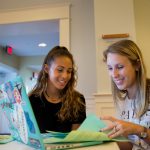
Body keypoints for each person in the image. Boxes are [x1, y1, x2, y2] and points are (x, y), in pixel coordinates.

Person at [101, 39, 150, 150]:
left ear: (137, 65)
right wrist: (106, 139)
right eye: (110, 68)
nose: (114, 74)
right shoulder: (125, 100)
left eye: (120, 67)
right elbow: (132, 145)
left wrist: (138, 129)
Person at [29, 46, 86, 133]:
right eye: (60, 70)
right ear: (47, 69)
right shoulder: (32, 99)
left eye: (69, 71)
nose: (65, 76)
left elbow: (76, 139)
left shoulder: (77, 100)